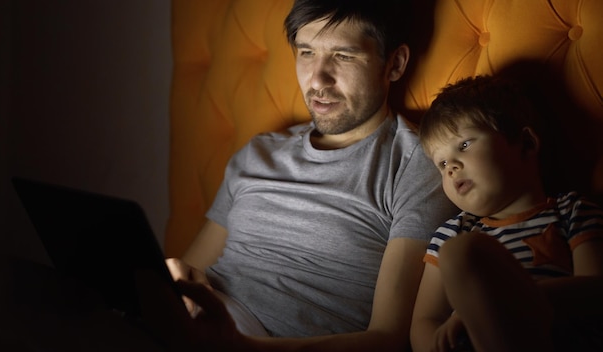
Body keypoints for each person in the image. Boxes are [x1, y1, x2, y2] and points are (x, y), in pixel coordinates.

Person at [154, 0, 457, 351]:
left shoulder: (418, 164)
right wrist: (177, 284)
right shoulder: (260, 152)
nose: (318, 79)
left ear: (395, 63)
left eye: (344, 56)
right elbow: (191, 267)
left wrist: (241, 345)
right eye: (307, 52)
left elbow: (386, 339)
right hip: (195, 328)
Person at [409, 75, 603, 352]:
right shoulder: (453, 233)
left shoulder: (573, 212)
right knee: (458, 251)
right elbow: (425, 320)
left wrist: (495, 306)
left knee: (465, 252)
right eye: (440, 163)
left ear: (526, 143)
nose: (450, 166)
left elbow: (595, 291)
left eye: (464, 145)